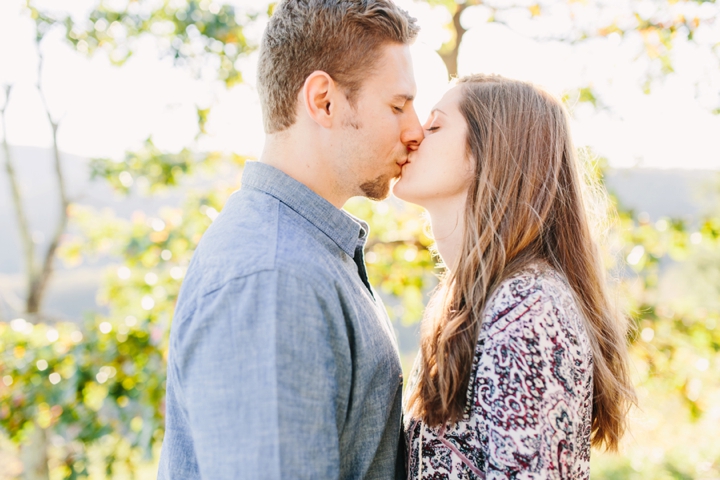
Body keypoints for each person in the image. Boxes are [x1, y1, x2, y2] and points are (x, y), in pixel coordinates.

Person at [157, 1, 424, 478]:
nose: (416, 129)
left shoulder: (307, 252)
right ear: (324, 100)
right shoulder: (273, 278)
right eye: (398, 106)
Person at [394, 74, 636, 479]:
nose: (414, 135)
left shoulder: (529, 310)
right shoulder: (474, 303)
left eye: (435, 126)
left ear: (491, 152)